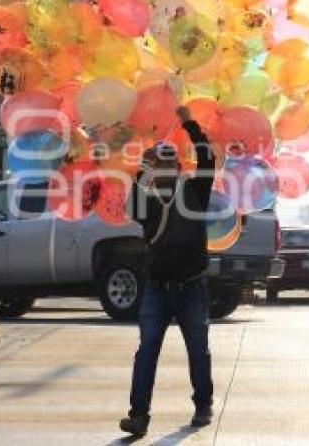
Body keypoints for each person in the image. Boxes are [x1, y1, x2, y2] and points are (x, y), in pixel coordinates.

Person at [119, 106, 216, 437]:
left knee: (198, 352)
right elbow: (129, 206)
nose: (162, 170)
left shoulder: (195, 191)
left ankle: (203, 404)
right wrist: (137, 176)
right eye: (155, 166)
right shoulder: (145, 201)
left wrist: (190, 123)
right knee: (146, 352)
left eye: (166, 164)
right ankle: (138, 415)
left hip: (192, 287)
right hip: (158, 288)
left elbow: (207, 159)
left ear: (177, 167)